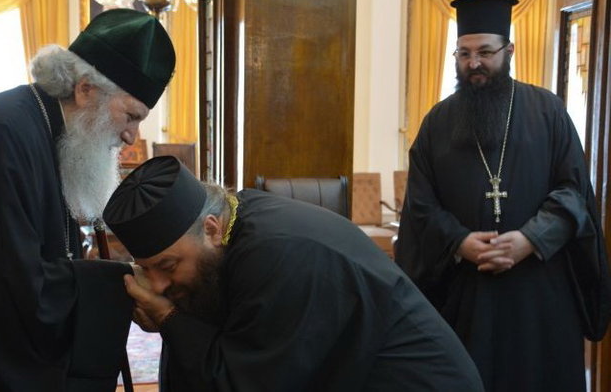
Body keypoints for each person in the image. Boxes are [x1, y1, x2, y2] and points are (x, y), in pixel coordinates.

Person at [0, 9, 175, 391]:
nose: (131, 137)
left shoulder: (46, 131)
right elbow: (1, 293)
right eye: (131, 116)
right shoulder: (0, 139)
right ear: (86, 89)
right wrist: (119, 285)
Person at [102, 156, 484, 391]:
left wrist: (169, 318)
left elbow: (248, 384)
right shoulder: (236, 219)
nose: (158, 284)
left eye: (168, 267)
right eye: (146, 270)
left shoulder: (277, 258)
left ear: (212, 229)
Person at [395, 0, 611, 392]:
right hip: (464, 294)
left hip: (540, 293)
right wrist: (460, 242)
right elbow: (421, 206)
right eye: (463, 53)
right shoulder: (437, 123)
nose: (473, 63)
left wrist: (531, 239)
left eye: (484, 52)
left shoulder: (548, 112)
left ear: (508, 50)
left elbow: (573, 189)